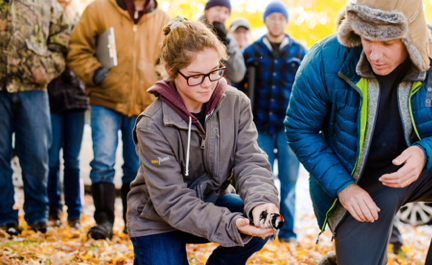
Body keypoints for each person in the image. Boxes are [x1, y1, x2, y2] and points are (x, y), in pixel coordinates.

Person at [285, 0, 432, 264]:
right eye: (367, 39)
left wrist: (426, 153)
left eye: (387, 44)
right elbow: (300, 128)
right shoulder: (324, 57)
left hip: (420, 168)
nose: (374, 54)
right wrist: (343, 188)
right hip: (358, 182)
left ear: (411, 37)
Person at [127, 16, 280, 265]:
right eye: (196, 76)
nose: (208, 83)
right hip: (157, 218)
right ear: (170, 70)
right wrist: (229, 223)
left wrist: (261, 201)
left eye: (214, 71)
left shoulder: (236, 103)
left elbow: (249, 161)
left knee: (257, 219)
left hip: (209, 201)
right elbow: (172, 201)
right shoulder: (152, 124)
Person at [67, 0, 171, 239]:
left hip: (144, 105)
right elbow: (78, 49)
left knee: (135, 167)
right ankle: (103, 221)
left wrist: (158, 80)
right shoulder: (98, 10)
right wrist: (94, 73)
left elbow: (170, 60)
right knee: (102, 162)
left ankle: (131, 222)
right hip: (105, 99)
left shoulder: (163, 20)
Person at [0, 0, 69, 236]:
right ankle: (5, 217)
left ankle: (37, 215)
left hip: (34, 89)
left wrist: (46, 70)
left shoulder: (49, 4)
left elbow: (62, 42)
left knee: (38, 154)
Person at [241, 1, 307, 243]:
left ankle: (287, 233)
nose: (276, 22)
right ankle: (264, 232)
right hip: (260, 128)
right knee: (263, 182)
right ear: (266, 21)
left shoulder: (300, 52)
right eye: (272, 17)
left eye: (281, 18)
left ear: (285, 21)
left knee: (289, 183)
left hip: (290, 129)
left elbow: (310, 91)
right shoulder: (251, 51)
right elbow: (239, 86)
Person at [47, 0, 89, 230]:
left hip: (76, 98)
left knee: (71, 161)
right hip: (50, 97)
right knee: (51, 160)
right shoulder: (46, 11)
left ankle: (75, 212)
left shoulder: (81, 17)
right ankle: (53, 209)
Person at [203, 0, 246, 84]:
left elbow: (237, 76)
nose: (222, 16)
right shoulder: (192, 33)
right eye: (218, 10)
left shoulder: (229, 40)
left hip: (220, 91)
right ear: (207, 10)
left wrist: (226, 44)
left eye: (226, 12)